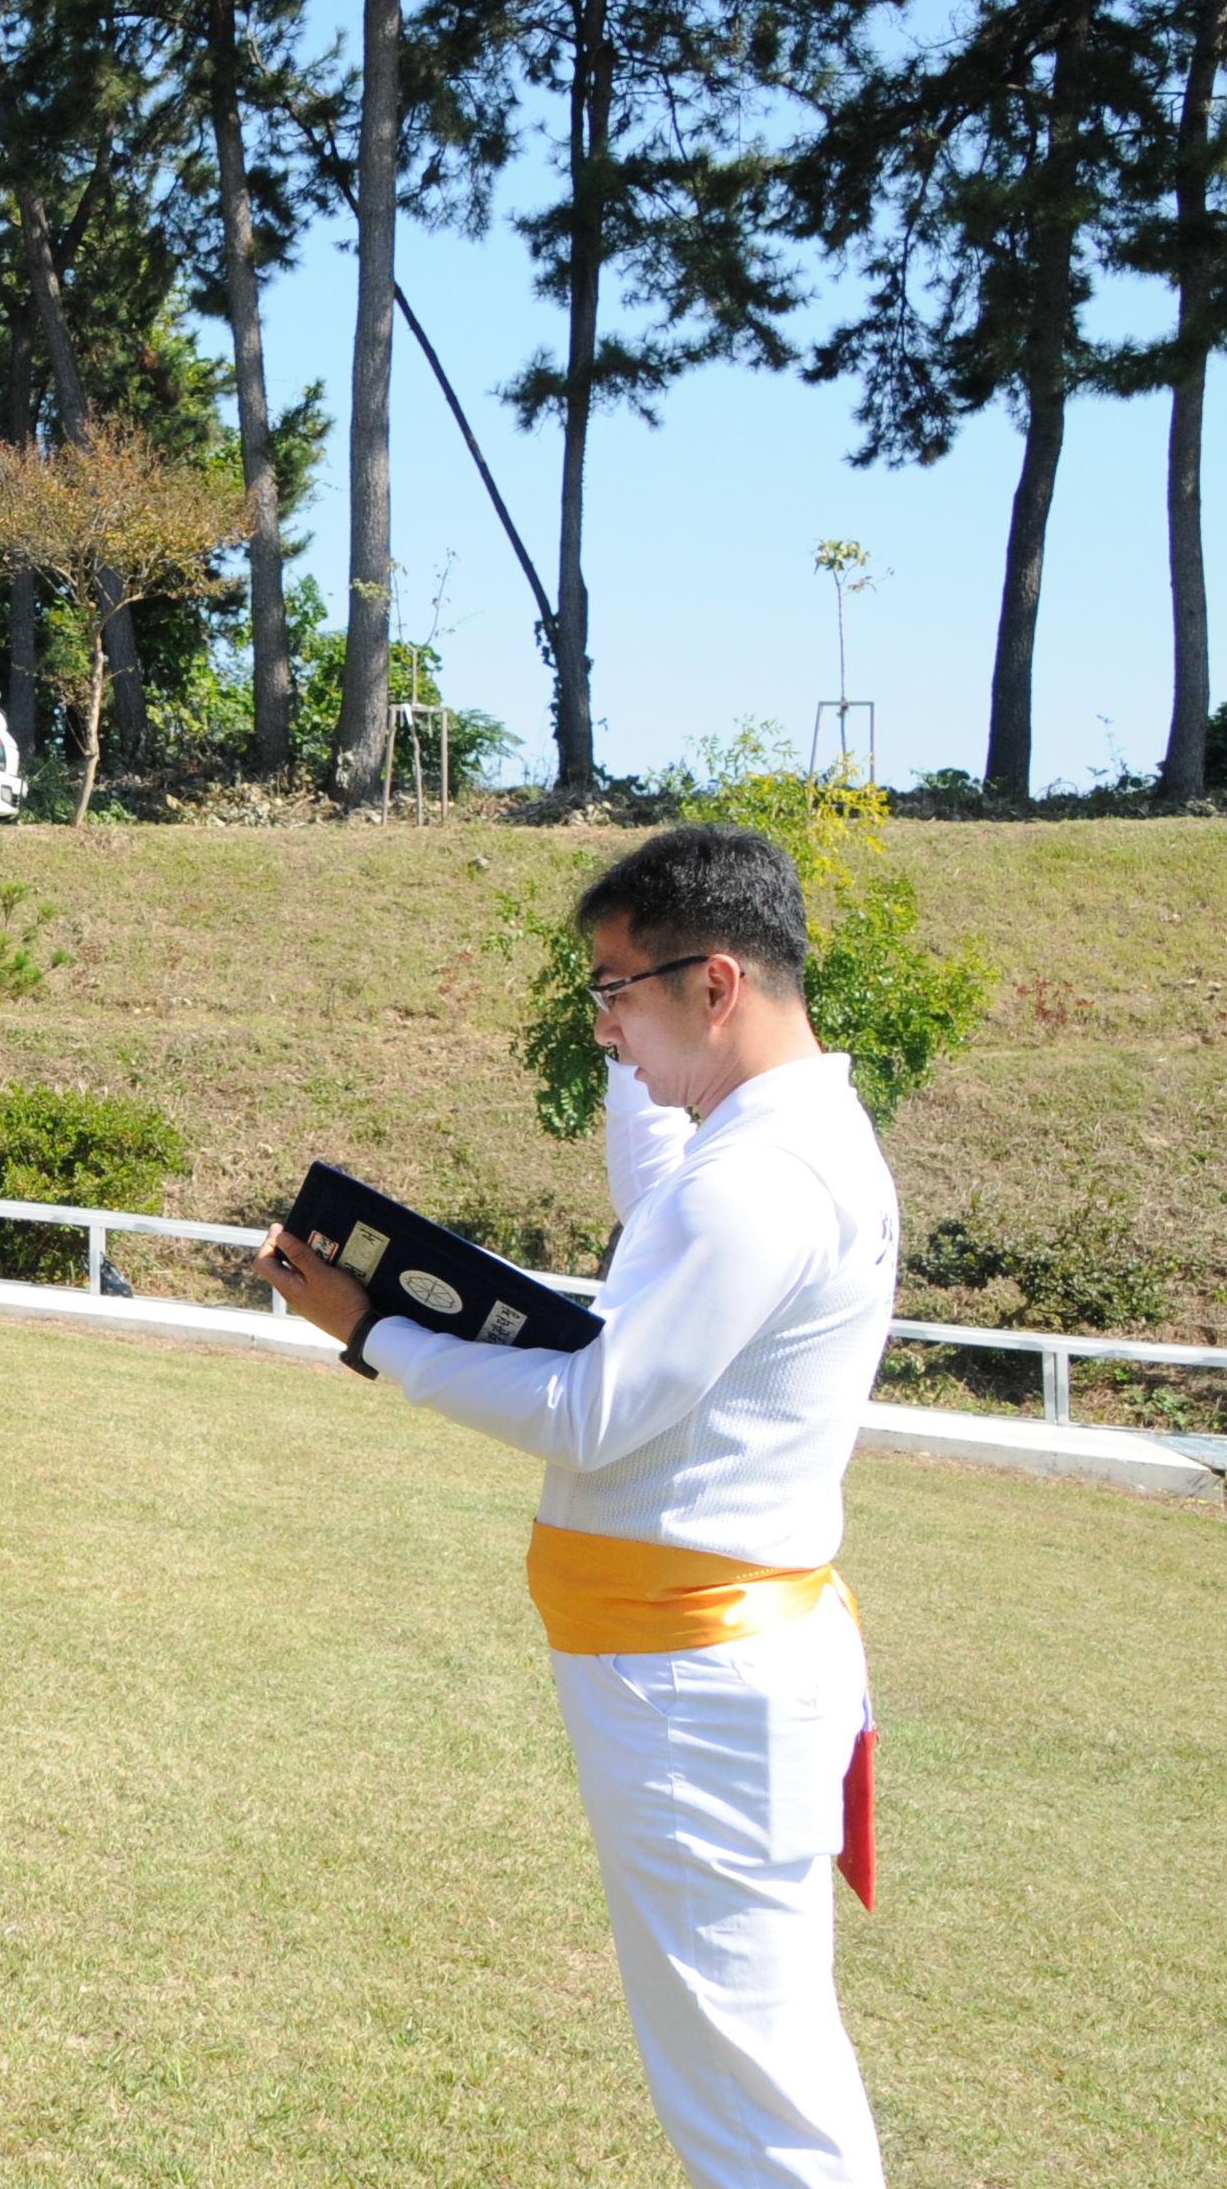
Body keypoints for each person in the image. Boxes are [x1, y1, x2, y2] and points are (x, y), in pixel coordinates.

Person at [258, 826, 894, 2189]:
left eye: (617, 992)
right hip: (699, 1662)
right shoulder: (764, 1148)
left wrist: (375, 1332)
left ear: (713, 987)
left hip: (700, 1680)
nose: (604, 1030)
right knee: (748, 2059)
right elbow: (656, 1197)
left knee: (749, 2093)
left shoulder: (764, 1180)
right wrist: (633, 1053)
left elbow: (592, 1417)